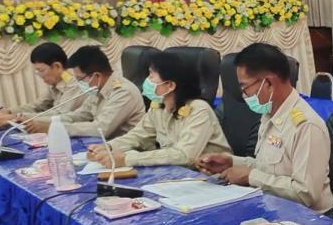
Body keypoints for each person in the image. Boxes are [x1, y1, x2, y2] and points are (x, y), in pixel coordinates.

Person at [195, 43, 333, 213]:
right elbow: (268, 168)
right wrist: (230, 162)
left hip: (309, 219)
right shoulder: (270, 114)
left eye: (244, 87)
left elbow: (305, 193)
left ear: (268, 83)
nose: (244, 95)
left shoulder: (306, 126)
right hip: (273, 210)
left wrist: (250, 177)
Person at [86, 52, 230, 167]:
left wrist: (127, 159)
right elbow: (138, 136)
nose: (146, 81)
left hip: (211, 177)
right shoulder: (158, 106)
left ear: (170, 85)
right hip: (176, 174)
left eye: (151, 76)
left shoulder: (199, 110)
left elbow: (184, 156)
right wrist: (109, 147)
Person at [23, 46, 145, 137]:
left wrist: (56, 128)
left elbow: (100, 129)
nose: (78, 83)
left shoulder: (123, 92)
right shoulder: (97, 88)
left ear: (96, 76)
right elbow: (79, 115)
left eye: (80, 79)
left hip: (127, 150)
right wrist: (37, 121)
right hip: (103, 145)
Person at [0, 43, 86, 128]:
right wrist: (9, 111)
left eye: (41, 71)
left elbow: (59, 114)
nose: (40, 76)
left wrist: (16, 117)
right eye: (37, 71)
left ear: (57, 66)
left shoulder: (75, 84)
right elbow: (38, 106)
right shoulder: (56, 82)